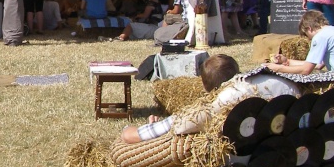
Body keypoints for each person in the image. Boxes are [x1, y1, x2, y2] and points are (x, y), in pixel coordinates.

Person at [121, 54, 300, 144]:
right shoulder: (280, 82)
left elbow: (134, 136)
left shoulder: (214, 106)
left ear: (206, 87)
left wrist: (143, 127)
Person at [267, 10, 334, 75]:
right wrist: (286, 61)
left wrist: (276, 68)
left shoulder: (320, 37)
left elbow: (306, 70)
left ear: (309, 28)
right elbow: (318, 65)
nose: (308, 39)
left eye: (306, 35)